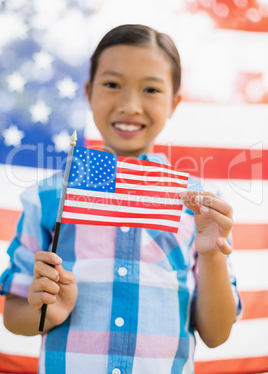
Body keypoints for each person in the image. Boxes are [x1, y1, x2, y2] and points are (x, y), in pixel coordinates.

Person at [1, 24, 242, 374]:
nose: (130, 105)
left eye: (151, 89)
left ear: (174, 102)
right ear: (89, 92)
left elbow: (216, 333)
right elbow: (14, 315)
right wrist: (48, 312)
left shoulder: (201, 207)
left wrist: (210, 253)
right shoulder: (51, 196)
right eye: (112, 85)